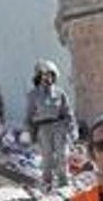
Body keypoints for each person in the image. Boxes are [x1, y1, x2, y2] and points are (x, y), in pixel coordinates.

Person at [26, 60, 74, 190]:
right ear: (39, 76)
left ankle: (63, 185)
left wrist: (72, 130)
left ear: (54, 76)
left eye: (50, 75)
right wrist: (31, 135)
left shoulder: (60, 93)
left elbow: (68, 112)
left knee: (62, 155)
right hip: (43, 129)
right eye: (44, 75)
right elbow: (29, 116)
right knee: (47, 158)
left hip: (59, 127)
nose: (47, 78)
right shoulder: (33, 95)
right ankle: (47, 184)